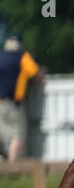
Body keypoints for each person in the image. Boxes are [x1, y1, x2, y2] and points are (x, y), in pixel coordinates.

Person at [0, 34, 42, 163]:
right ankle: (12, 169)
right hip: (11, 103)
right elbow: (35, 73)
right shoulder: (22, 57)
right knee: (18, 135)